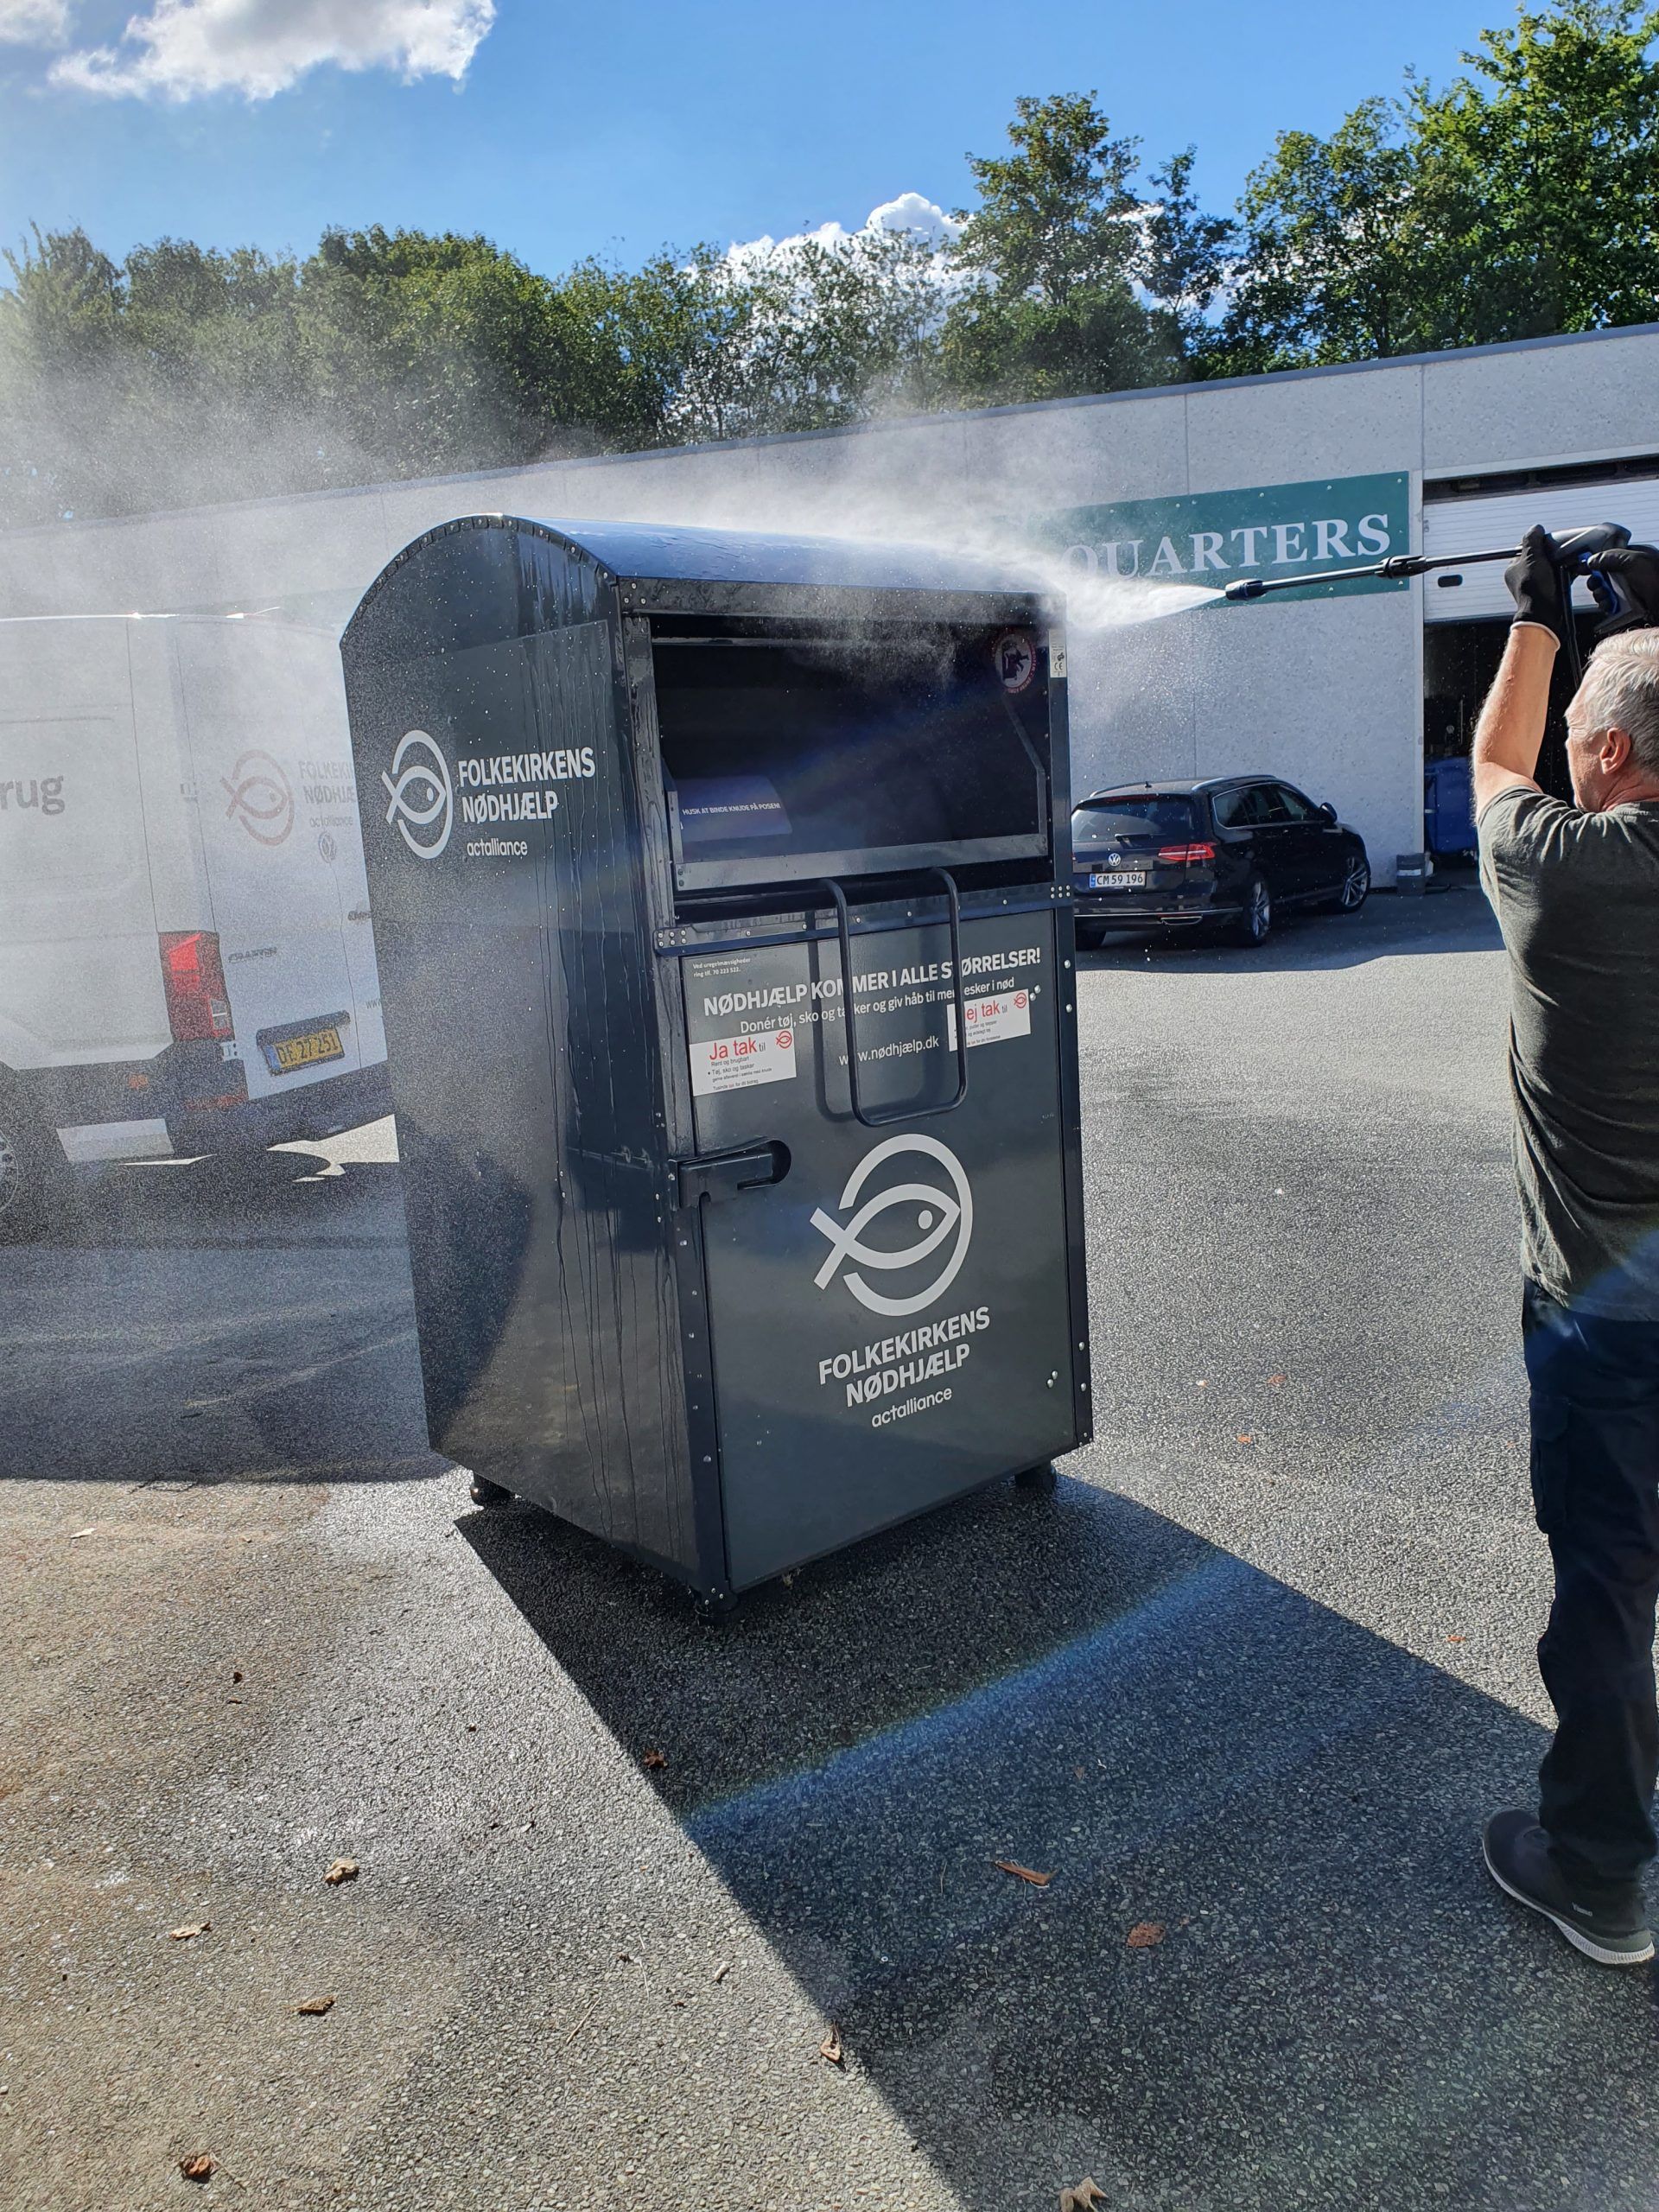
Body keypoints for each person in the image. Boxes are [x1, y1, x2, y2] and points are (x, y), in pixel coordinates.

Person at [1473, 525, 1659, 1966]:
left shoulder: (1570, 879)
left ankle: (1598, 1873)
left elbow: (1491, 768)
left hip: (1607, 1319)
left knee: (1608, 1574)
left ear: (1600, 758)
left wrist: (1534, 624)